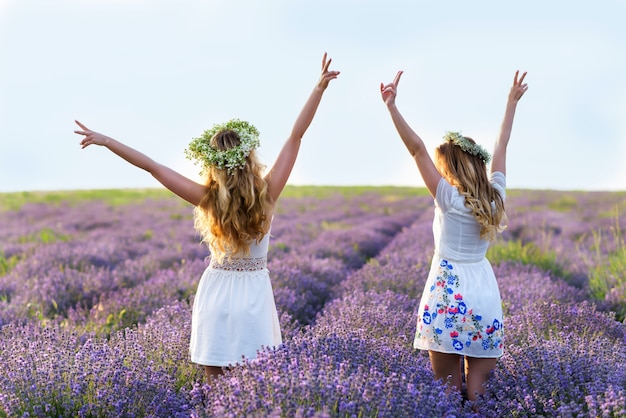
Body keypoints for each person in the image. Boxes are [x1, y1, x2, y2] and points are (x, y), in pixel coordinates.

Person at [74, 52, 340, 381]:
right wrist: (318, 89)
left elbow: (154, 167)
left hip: (216, 292)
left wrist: (107, 141)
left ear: (213, 164)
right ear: (248, 159)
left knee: (216, 394)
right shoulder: (266, 195)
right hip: (254, 296)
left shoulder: (207, 199)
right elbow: (295, 137)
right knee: (255, 389)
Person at [380, 69, 528, 401]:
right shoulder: (495, 196)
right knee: (480, 395)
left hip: (447, 296)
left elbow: (417, 149)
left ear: (453, 168)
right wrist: (511, 102)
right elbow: (502, 143)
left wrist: (392, 107)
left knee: (446, 395)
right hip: (484, 295)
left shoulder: (448, 198)